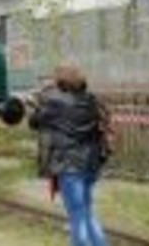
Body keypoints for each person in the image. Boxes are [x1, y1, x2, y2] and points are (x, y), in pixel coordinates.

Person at [29, 65, 108, 246]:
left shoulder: (54, 102)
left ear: (61, 81)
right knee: (87, 212)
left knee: (76, 217)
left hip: (69, 167)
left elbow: (34, 122)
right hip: (91, 165)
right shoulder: (91, 100)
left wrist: (37, 104)